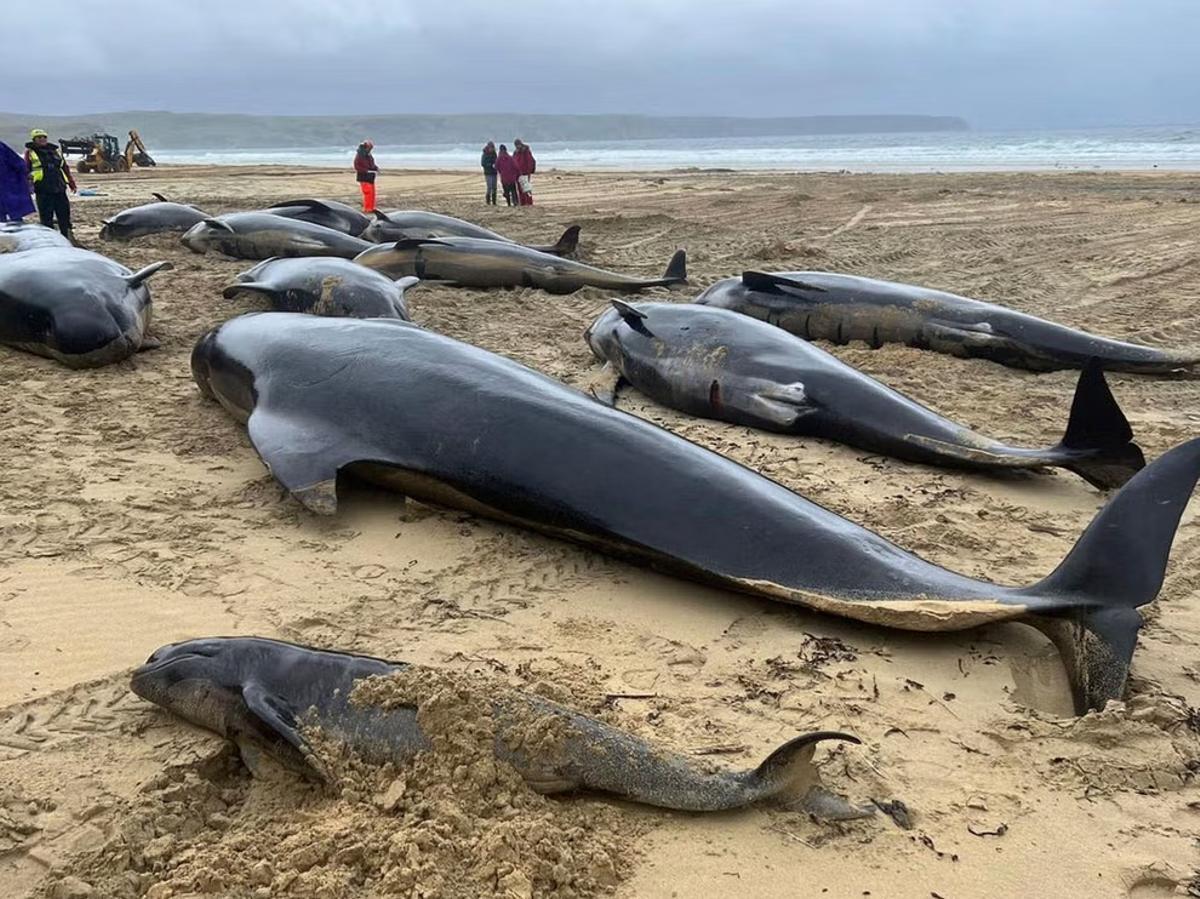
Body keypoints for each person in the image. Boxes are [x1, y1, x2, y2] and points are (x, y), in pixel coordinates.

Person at [24, 129, 76, 238]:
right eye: (39, 138)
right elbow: (26, 169)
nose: (42, 139)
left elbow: (64, 167)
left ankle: (67, 236)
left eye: (44, 137)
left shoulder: (55, 151)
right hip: (43, 188)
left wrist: (71, 182)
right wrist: (28, 185)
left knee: (64, 214)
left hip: (59, 186)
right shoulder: (30, 152)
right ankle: (50, 239)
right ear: (34, 140)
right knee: (46, 216)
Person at [0, 140, 35, 222]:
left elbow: (17, 162)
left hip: (8, 185)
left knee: (14, 215)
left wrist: (26, 174)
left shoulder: (1, 147)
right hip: (8, 186)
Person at [354, 140, 379, 212]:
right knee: (368, 192)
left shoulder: (368, 155)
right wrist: (366, 171)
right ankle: (367, 208)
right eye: (369, 148)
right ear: (366, 147)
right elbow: (357, 166)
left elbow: (372, 164)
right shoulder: (359, 155)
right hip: (363, 176)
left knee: (372, 193)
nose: (370, 149)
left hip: (370, 176)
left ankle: (371, 207)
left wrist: (375, 168)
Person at [513, 139, 536, 206]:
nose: (517, 146)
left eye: (518, 145)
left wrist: (529, 171)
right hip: (518, 173)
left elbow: (530, 161)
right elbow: (513, 161)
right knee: (520, 189)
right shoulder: (516, 152)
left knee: (527, 189)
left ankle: (529, 202)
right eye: (516, 145)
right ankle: (523, 202)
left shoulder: (526, 151)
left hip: (525, 172)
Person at [481, 141, 498, 205]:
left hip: (494, 172)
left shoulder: (494, 154)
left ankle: (494, 202)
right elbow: (483, 163)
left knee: (494, 187)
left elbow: (497, 161)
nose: (492, 149)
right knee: (489, 187)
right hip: (488, 172)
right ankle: (488, 201)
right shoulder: (485, 154)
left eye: (493, 148)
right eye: (491, 148)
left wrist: (496, 166)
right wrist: (490, 165)